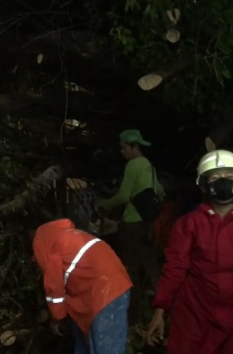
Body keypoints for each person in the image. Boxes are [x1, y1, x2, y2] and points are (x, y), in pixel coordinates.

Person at [146, 150, 233, 354]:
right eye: (215, 178)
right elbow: (174, 269)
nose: (222, 182)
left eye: (229, 177)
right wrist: (160, 309)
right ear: (204, 185)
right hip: (194, 317)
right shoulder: (189, 224)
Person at [32, 218, 132, 354]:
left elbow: (53, 284)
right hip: (109, 284)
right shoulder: (63, 236)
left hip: (106, 292)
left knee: (106, 346)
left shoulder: (43, 245)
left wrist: (57, 317)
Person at [95, 129, 163, 323]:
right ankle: (161, 312)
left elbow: (124, 196)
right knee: (151, 268)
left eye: (125, 148)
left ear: (134, 147)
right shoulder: (149, 166)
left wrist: (104, 204)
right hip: (148, 224)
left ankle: (132, 317)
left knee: (129, 271)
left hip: (132, 225)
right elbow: (159, 192)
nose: (122, 152)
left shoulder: (132, 165)